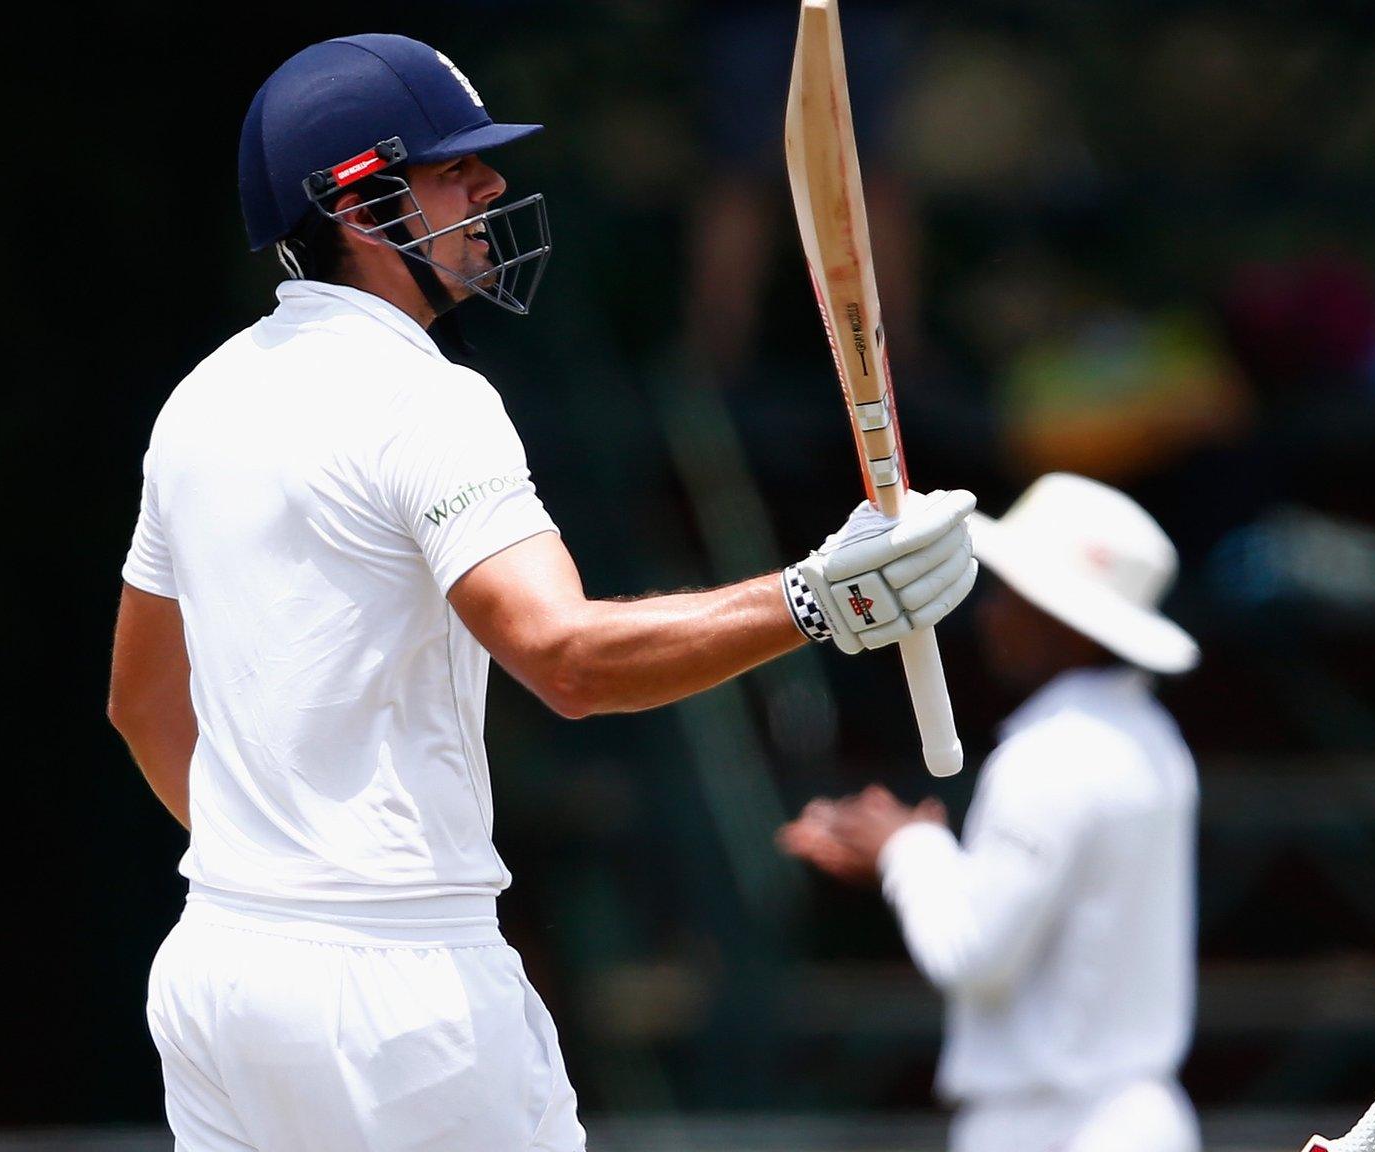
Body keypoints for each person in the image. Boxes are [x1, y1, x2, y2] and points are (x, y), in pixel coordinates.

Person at [105, 34, 977, 1152]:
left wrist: (282, 871)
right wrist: (820, 600)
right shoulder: (428, 404)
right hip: (401, 990)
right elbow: (564, 660)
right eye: (453, 170)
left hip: (222, 962)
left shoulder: (200, 403)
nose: (490, 189)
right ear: (363, 205)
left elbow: (140, 704)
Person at [779, 473, 1204, 1152]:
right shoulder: (1153, 741)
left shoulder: (1052, 752)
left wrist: (905, 851)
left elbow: (975, 953)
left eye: (1013, 595)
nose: (989, 613)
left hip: (1055, 1130)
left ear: (1067, 620)